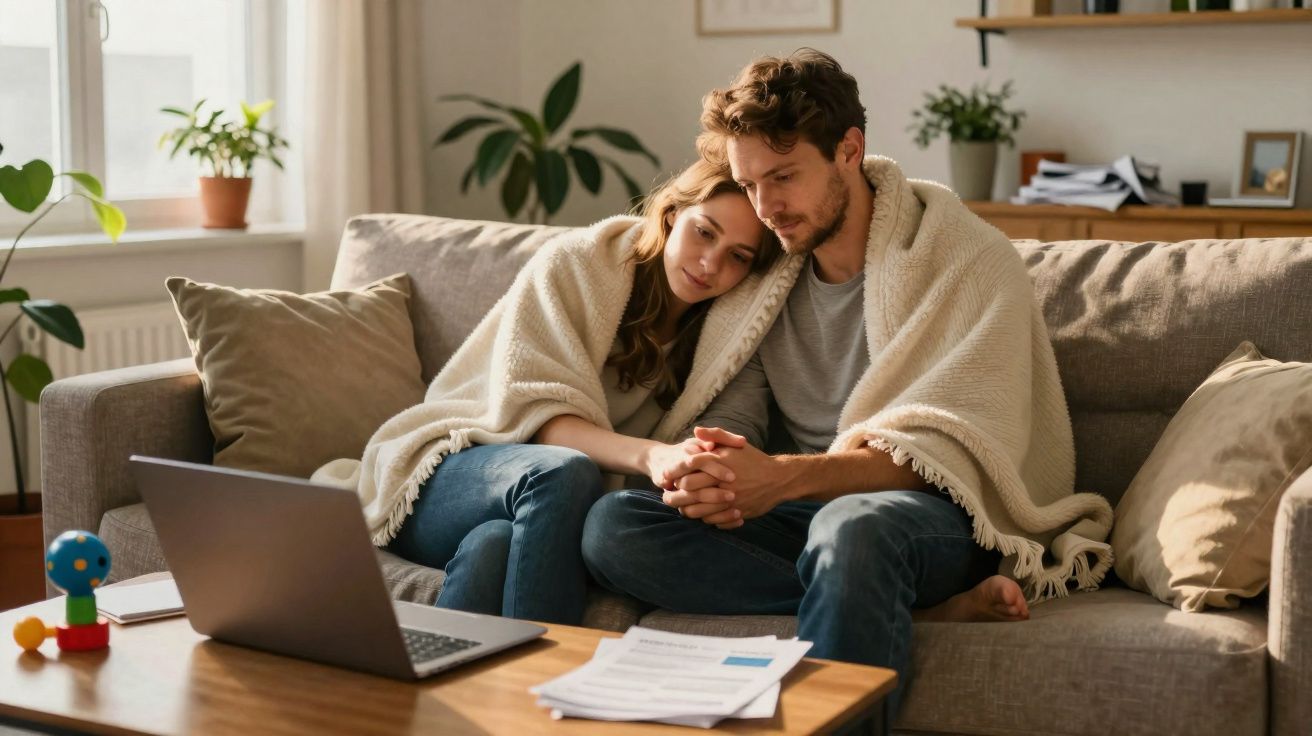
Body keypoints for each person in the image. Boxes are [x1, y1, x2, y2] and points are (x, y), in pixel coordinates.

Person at [581, 49, 1115, 718]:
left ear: (848, 151)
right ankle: (912, 612)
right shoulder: (766, 279)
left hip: (925, 519)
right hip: (808, 513)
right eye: (749, 184)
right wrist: (711, 471)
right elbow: (737, 411)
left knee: (854, 531)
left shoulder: (966, 258)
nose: (766, 206)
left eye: (783, 176)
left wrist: (779, 477)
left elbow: (950, 460)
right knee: (614, 526)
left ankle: (880, 591)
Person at [313, 158, 784, 626]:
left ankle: (451, 690)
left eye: (738, 255)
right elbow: (538, 414)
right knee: (563, 472)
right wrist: (652, 456)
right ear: (671, 214)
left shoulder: (725, 331)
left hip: (544, 509)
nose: (711, 263)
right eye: (704, 231)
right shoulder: (581, 263)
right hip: (450, 470)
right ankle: (557, 688)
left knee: (493, 548)